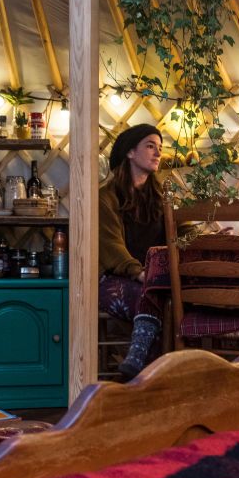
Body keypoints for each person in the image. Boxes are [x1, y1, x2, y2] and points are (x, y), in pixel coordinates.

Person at [98, 123, 166, 378]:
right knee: (148, 296)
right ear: (129, 152)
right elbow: (110, 245)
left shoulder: (159, 198)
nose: (158, 153)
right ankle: (140, 368)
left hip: (150, 280)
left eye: (160, 148)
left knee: (166, 299)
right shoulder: (106, 197)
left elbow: (177, 230)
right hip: (111, 279)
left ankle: (145, 378)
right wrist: (138, 272)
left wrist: (204, 237)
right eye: (150, 146)